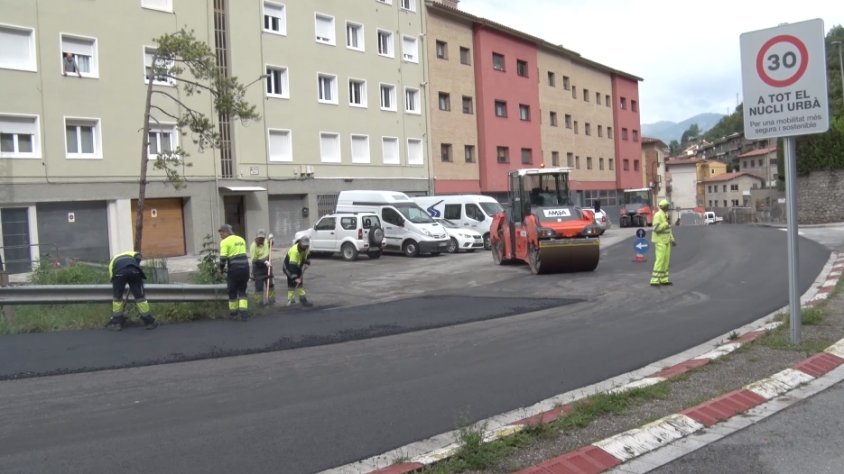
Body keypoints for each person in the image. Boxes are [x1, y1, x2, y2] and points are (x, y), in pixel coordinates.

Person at [105, 251, 158, 331]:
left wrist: (118, 289)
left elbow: (112, 277)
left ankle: (116, 323)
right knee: (140, 298)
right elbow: (138, 257)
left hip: (119, 274)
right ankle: (149, 322)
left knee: (117, 299)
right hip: (135, 272)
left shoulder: (113, 262)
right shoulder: (132, 254)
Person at [218, 224, 250, 320]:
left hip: (234, 269)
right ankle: (244, 314)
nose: (220, 236)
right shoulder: (241, 239)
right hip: (245, 268)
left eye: (221, 234)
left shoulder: (224, 242)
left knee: (232, 291)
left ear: (225, 232)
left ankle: (234, 314)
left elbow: (223, 258)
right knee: (242, 291)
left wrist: (221, 269)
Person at [650, 199, 677, 286]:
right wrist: (665, 224)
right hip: (660, 241)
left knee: (666, 261)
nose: (668, 207)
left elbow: (668, 230)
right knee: (660, 260)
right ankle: (654, 280)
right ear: (664, 207)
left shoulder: (665, 215)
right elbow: (656, 229)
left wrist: (672, 239)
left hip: (666, 241)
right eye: (667, 206)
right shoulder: (658, 215)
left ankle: (664, 279)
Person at [283, 236, 312, 307]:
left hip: (298, 265)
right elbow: (292, 267)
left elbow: (307, 255)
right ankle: (291, 300)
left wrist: (307, 263)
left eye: (306, 245)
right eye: (304, 245)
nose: (305, 247)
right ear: (300, 243)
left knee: (299, 284)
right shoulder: (294, 251)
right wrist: (295, 278)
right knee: (292, 283)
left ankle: (303, 300)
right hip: (288, 267)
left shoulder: (306, 248)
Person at [250, 228, 275, 306]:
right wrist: (264, 262)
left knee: (270, 285)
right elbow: (254, 260)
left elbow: (270, 245)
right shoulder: (253, 246)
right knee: (259, 287)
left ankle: (271, 301)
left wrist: (271, 241)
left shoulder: (265, 241)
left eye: (262, 238)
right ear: (256, 237)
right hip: (258, 268)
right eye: (259, 238)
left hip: (267, 267)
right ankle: (259, 303)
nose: (261, 240)